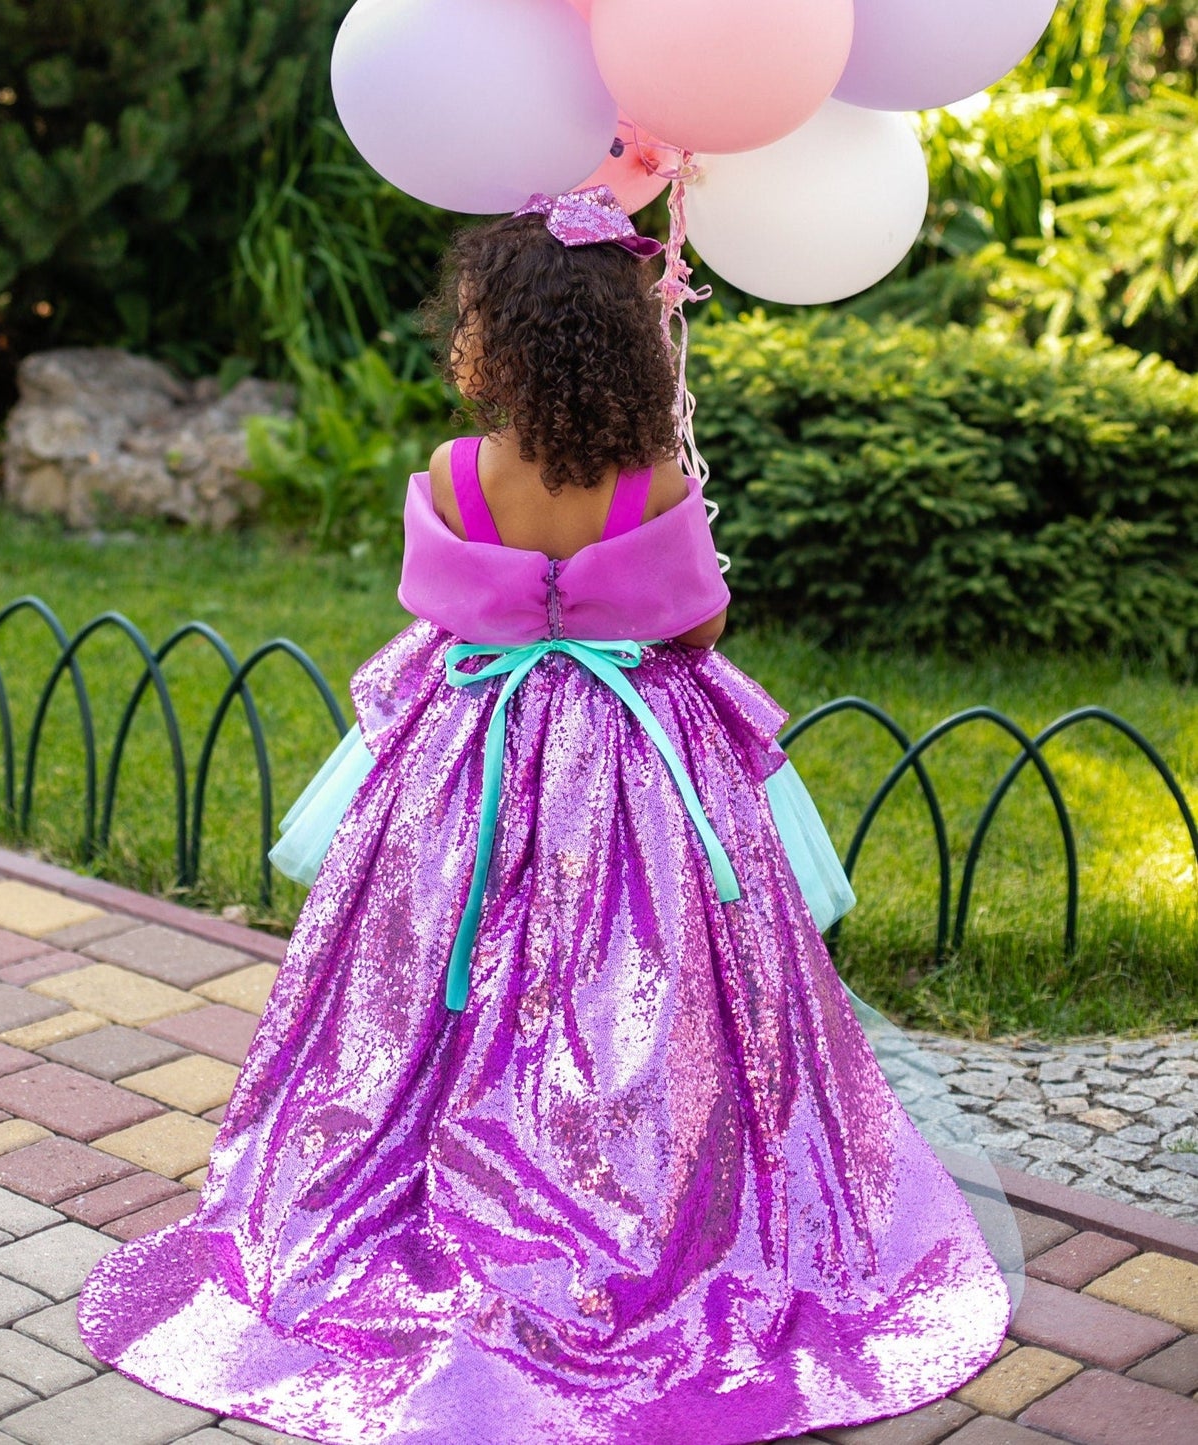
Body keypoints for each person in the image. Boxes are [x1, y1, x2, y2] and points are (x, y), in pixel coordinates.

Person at [78, 187, 1011, 1445]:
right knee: (639, 973)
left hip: (477, 758)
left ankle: (420, 1160)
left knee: (429, 979)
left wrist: (530, 608)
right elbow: (693, 623)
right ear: (621, 344)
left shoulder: (460, 473)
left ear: (501, 342)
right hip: (633, 762)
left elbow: (443, 602)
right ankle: (632, 1173)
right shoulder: (654, 474)